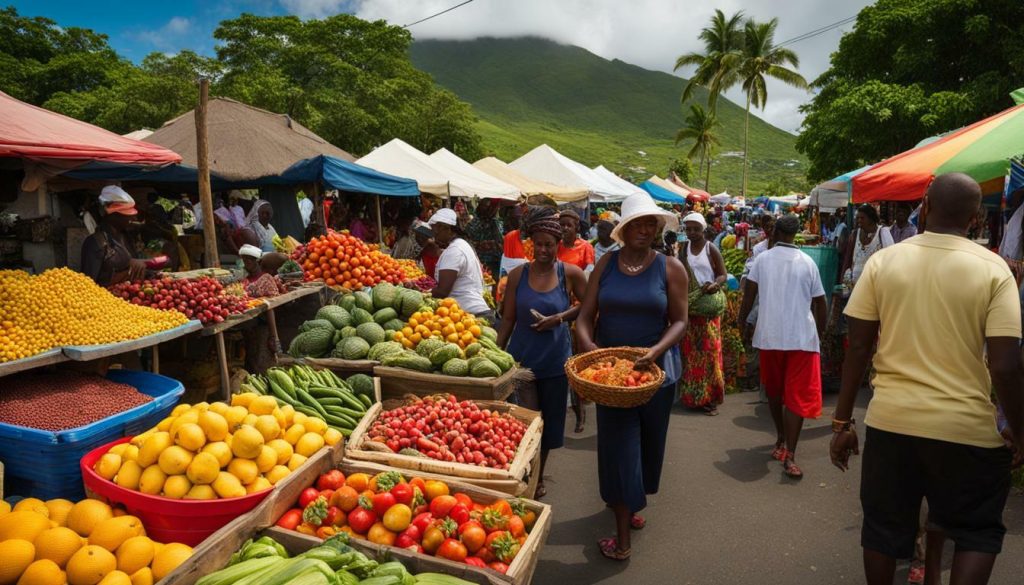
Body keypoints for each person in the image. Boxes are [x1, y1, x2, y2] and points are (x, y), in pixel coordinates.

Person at [830, 173, 1023, 585]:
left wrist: (841, 423)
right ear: (975, 219)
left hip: (891, 423)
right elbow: (1006, 366)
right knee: (975, 534)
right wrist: (1021, 433)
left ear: (926, 205)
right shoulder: (995, 270)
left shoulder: (885, 261)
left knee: (882, 532)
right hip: (967, 429)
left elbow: (859, 349)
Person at [575, 192, 687, 561]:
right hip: (612, 379)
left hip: (655, 376)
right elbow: (585, 316)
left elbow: (681, 321)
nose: (643, 230)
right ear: (622, 231)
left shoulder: (670, 267)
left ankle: (632, 503)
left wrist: (655, 351)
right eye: (635, 224)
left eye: (649, 224)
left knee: (648, 449)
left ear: (657, 228)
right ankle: (621, 539)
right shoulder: (605, 266)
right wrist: (593, 352)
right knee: (620, 450)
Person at [496, 206, 587, 499]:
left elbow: (588, 306)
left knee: (549, 422)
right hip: (523, 358)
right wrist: (496, 355)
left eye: (549, 244)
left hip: (555, 360)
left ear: (558, 244)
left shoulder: (569, 274)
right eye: (539, 244)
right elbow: (508, 318)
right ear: (531, 243)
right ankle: (526, 470)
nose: (544, 250)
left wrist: (560, 317)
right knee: (528, 420)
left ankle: (538, 470)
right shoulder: (518, 274)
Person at [738, 215, 827, 479]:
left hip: (770, 336)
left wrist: (741, 323)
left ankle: (779, 438)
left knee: (775, 392)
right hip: (802, 338)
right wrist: (818, 335)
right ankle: (790, 454)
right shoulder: (808, 263)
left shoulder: (761, 260)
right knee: (796, 397)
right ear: (797, 234)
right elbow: (820, 304)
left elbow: (749, 296)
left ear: (775, 232)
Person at [679, 212, 728, 415]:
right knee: (691, 353)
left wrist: (716, 284)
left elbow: (723, 274)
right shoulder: (682, 249)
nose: (691, 232)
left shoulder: (710, 248)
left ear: (703, 229)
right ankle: (693, 397)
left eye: (695, 229)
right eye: (688, 229)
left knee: (709, 353)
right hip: (690, 307)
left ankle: (710, 398)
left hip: (707, 308)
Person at [427, 209, 492, 321]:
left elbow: (443, 291)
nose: (434, 235)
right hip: (468, 314)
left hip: (471, 315)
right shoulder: (461, 245)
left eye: (436, 231)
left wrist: (421, 292)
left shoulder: (455, 250)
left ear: (446, 228)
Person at [81, 186, 148, 287]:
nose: (133, 217)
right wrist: (128, 269)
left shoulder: (126, 236)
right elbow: (89, 284)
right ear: (112, 215)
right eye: (127, 215)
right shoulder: (95, 243)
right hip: (107, 300)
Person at [842, 204, 893, 286]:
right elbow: (848, 258)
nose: (859, 220)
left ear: (871, 219)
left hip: (875, 284)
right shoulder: (855, 234)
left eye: (862, 218)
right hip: (855, 286)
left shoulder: (882, 232)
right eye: (857, 218)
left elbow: (891, 256)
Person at [465, 199, 504, 277]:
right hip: (480, 260)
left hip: (496, 259)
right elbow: (466, 242)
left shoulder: (495, 222)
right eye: (486, 207)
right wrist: (482, 244)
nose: (493, 210)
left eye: (495, 208)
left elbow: (500, 240)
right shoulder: (474, 224)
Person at [556, 209, 596, 273]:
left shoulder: (586, 246)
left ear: (576, 228)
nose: (565, 228)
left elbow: (589, 270)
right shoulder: (556, 245)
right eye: (562, 225)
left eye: (569, 225)